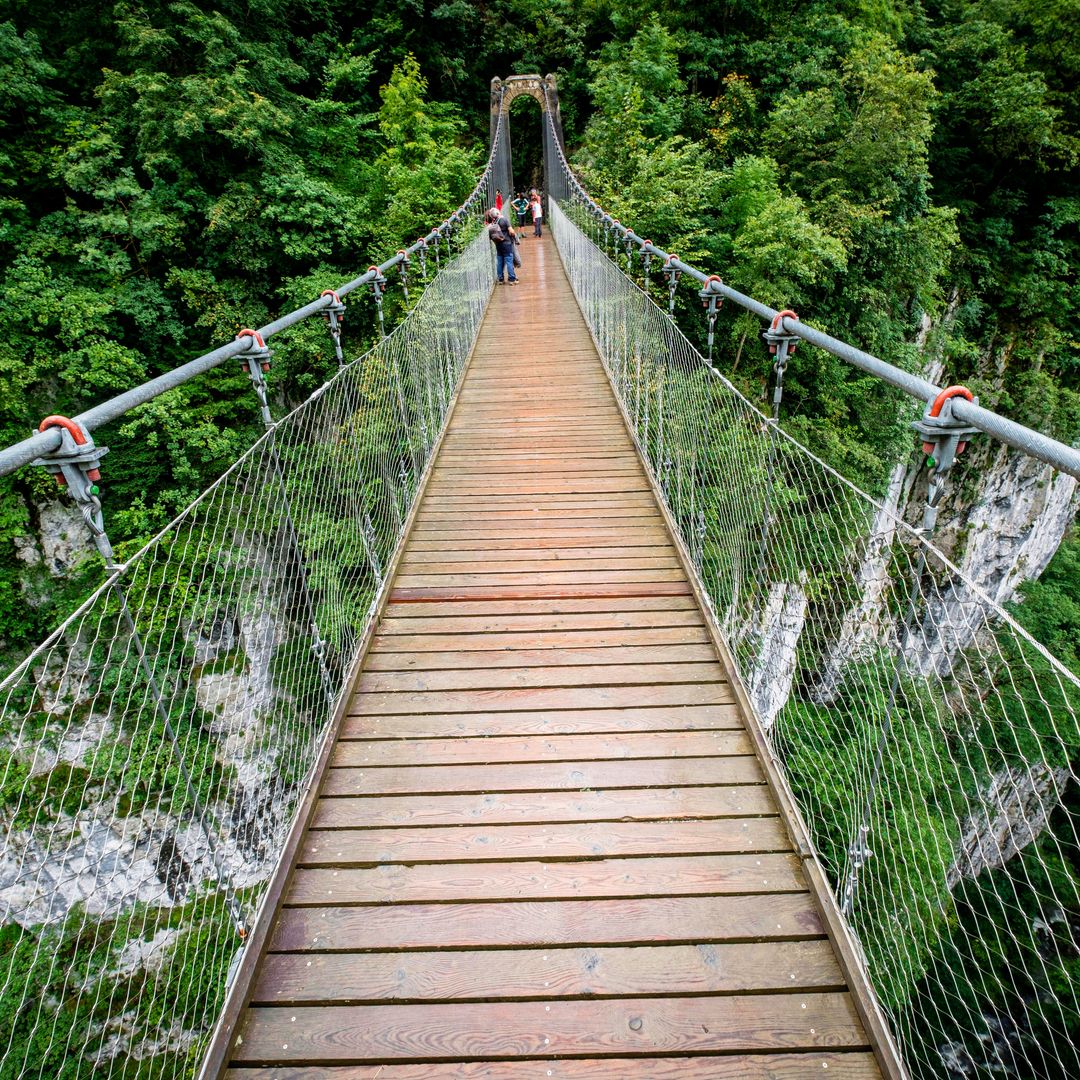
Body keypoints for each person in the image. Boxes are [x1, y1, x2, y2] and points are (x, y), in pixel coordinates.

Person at [486, 207, 517, 284]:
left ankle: (500, 279)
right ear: (497, 213)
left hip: (498, 244)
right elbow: (511, 231)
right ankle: (511, 279)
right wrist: (513, 236)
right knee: (509, 261)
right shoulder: (504, 220)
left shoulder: (493, 223)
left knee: (500, 262)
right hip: (507, 244)